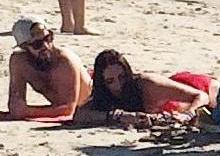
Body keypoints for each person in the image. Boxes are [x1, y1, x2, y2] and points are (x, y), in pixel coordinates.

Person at [78, 48, 212, 126]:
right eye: (110, 81)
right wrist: (118, 116)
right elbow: (79, 114)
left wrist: (188, 114)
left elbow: (201, 96)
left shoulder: (148, 85)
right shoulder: (104, 96)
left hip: (200, 87)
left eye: (122, 78)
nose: (118, 85)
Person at [6, 14, 90, 117]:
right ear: (24, 47)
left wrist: (28, 112)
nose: (45, 46)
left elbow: (69, 109)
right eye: (37, 44)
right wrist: (20, 109)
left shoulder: (65, 62)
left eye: (48, 38)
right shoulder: (19, 62)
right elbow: (15, 105)